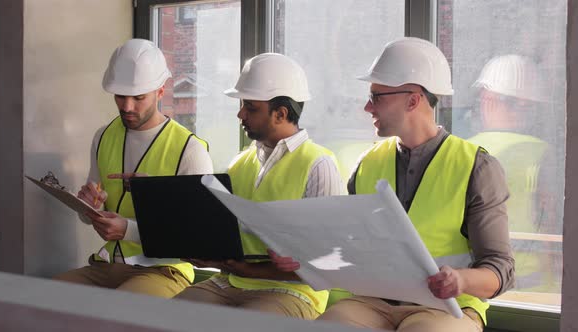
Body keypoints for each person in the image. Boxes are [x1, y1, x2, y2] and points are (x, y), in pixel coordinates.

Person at [270, 37, 515, 331]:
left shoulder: (476, 167)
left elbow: (501, 268)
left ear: (413, 99)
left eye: (377, 96)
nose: (367, 107)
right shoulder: (366, 165)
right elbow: (348, 250)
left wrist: (461, 280)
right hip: (372, 302)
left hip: (448, 308)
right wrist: (302, 257)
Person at [174, 53, 343, 320]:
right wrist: (213, 259)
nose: (240, 113)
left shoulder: (318, 164)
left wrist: (252, 271)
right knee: (161, 317)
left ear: (281, 114)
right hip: (230, 282)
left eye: (250, 107)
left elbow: (327, 262)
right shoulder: (240, 163)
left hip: (291, 291)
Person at [53, 39, 213, 298]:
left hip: (163, 269)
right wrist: (90, 208)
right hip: (109, 265)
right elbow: (91, 214)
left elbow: (198, 236)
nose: (127, 107)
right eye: (120, 96)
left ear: (161, 92)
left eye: (138, 98)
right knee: (46, 296)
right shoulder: (103, 136)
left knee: (117, 310)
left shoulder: (190, 150)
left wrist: (129, 229)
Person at [469, 54, 560, 292]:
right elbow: (551, 221)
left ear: (486, 99)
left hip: (478, 282)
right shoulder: (542, 153)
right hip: (533, 285)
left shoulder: (462, 150)